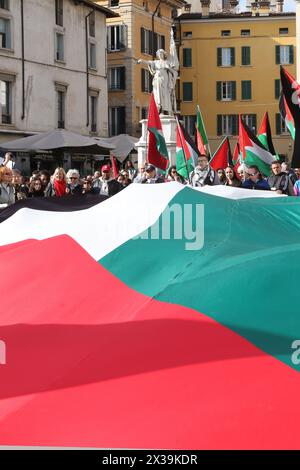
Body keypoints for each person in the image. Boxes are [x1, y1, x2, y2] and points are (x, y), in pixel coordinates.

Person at [137, 49, 178, 114]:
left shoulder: (167, 62)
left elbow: (174, 72)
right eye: (159, 54)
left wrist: (168, 68)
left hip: (165, 79)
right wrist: (141, 61)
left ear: (164, 55)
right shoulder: (156, 62)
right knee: (157, 94)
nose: (160, 55)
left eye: (161, 54)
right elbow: (148, 62)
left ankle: (164, 109)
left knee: (165, 94)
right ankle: (159, 107)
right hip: (157, 79)